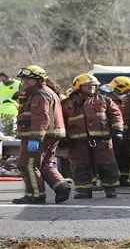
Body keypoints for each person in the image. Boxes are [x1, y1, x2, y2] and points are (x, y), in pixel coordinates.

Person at [12, 65, 71, 204]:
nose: (25, 82)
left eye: (29, 79)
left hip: (40, 136)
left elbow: (41, 117)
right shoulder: (40, 92)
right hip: (49, 135)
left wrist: (35, 138)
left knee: (28, 165)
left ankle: (35, 195)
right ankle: (61, 186)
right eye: (23, 79)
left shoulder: (39, 94)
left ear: (38, 80)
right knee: (45, 165)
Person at [62, 74, 123, 199]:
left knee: (107, 165)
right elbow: (61, 120)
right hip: (77, 141)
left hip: (102, 140)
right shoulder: (67, 103)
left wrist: (118, 130)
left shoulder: (105, 100)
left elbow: (116, 115)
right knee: (80, 166)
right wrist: (63, 137)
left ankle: (110, 188)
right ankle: (83, 190)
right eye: (88, 86)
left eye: (94, 86)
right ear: (78, 87)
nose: (91, 88)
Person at [103, 76, 130, 187]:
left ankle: (124, 178)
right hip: (111, 133)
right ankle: (112, 179)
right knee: (113, 156)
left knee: (126, 155)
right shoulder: (108, 100)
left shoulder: (129, 100)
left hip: (127, 133)